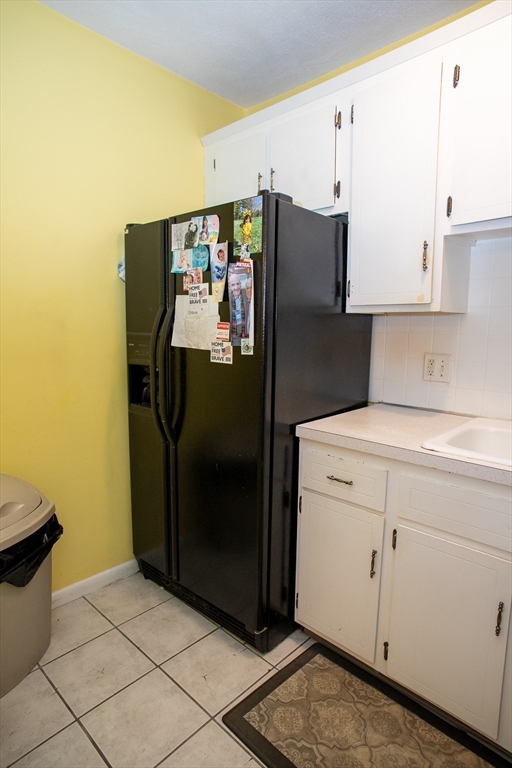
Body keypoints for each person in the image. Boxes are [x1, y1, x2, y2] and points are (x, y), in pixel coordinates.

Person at [228, 271, 246, 341]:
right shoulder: (229, 298)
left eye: (237, 284)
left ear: (241, 284)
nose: (236, 287)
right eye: (233, 285)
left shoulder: (246, 296)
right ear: (229, 287)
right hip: (233, 332)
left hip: (244, 331)